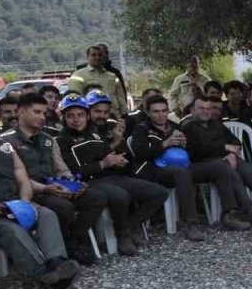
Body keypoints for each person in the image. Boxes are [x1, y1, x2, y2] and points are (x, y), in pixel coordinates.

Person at [0, 105, 80, 289]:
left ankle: (56, 263)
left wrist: (25, 200)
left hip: (14, 202)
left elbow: (20, 172)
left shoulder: (4, 146)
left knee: (46, 215)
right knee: (11, 230)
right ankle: (42, 274)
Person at [0, 94, 108, 265]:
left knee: (96, 197)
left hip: (54, 187)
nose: (42, 117)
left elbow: (61, 167)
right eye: (37, 112)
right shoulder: (6, 141)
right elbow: (15, 176)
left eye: (44, 113)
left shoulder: (48, 139)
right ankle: (67, 247)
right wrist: (45, 188)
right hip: (29, 193)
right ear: (21, 111)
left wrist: (73, 183)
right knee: (64, 207)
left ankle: (74, 239)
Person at [57, 94, 169, 255]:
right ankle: (123, 236)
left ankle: (128, 226)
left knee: (159, 193)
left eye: (80, 115)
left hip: (114, 177)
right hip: (90, 183)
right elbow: (72, 172)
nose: (76, 120)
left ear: (86, 115)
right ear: (64, 118)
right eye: (70, 116)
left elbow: (109, 155)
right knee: (119, 195)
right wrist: (103, 164)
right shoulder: (62, 141)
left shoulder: (96, 134)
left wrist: (119, 161)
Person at [126, 95, 227, 241]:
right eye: (156, 112)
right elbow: (140, 153)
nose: (161, 115)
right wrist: (164, 144)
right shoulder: (141, 129)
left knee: (216, 167)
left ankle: (230, 213)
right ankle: (191, 223)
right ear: (148, 113)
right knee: (182, 173)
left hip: (180, 165)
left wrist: (185, 145)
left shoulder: (174, 126)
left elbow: (191, 154)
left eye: (164, 111)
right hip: (154, 170)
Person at [181, 95, 252, 226]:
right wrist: (224, 147)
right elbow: (197, 151)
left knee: (251, 174)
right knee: (229, 170)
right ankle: (251, 212)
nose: (206, 111)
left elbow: (235, 142)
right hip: (200, 165)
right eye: (201, 108)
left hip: (225, 160)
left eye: (208, 108)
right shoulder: (187, 127)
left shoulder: (216, 124)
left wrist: (230, 153)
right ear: (192, 110)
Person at [69, 45, 128, 117]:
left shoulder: (112, 76)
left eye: (100, 55)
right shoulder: (78, 75)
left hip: (114, 116)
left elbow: (120, 98)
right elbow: (76, 99)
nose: (97, 57)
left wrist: (125, 115)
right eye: (94, 55)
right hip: (91, 118)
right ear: (87, 57)